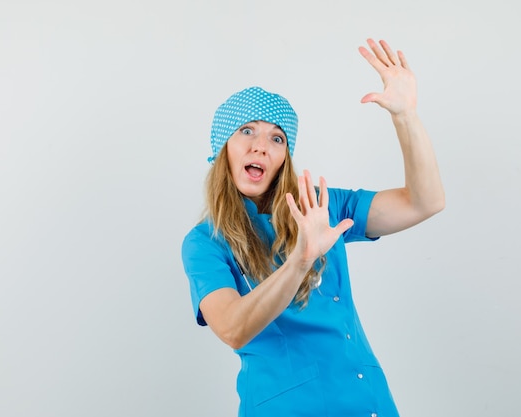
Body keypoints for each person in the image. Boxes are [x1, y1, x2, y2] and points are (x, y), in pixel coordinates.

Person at [181, 39, 444, 417]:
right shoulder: (205, 242)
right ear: (223, 147)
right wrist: (300, 260)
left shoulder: (322, 206)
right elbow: (234, 328)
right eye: (247, 131)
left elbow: (425, 201)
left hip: (369, 403)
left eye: (277, 138)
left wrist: (406, 117)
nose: (261, 147)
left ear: (284, 158)